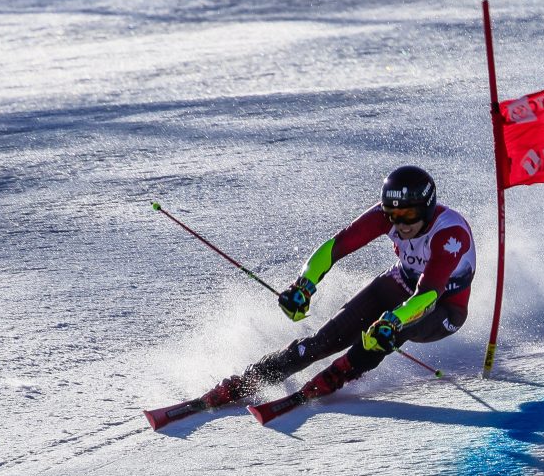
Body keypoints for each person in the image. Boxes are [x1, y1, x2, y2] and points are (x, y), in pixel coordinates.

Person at [199, 165, 476, 409]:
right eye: (393, 214)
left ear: (427, 208)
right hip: (402, 282)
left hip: (445, 307)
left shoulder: (449, 233)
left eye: (409, 214)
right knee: (322, 341)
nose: (401, 224)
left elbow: (428, 295)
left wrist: (393, 321)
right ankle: (253, 378)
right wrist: (303, 285)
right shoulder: (385, 217)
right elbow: (336, 246)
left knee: (387, 333)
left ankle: (336, 375)